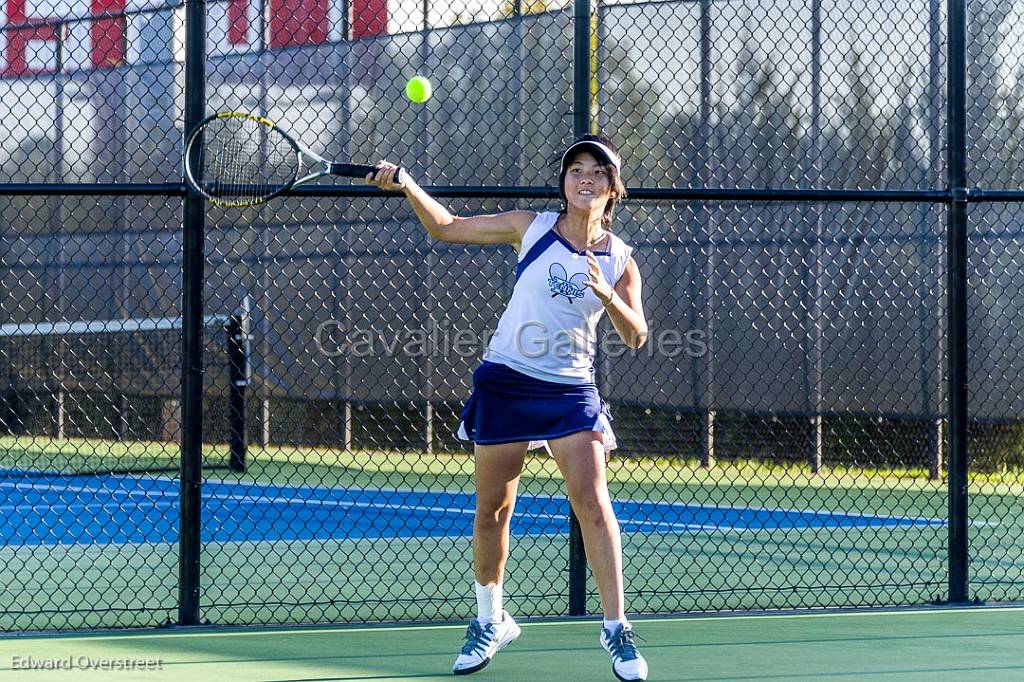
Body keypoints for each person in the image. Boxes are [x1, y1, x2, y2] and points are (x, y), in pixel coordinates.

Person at [367, 134, 649, 682]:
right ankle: (491, 619)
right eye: (575, 169)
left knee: (593, 502)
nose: (585, 177)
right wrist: (405, 182)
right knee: (493, 509)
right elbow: (445, 228)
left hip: (570, 391)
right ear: (564, 183)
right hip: (506, 381)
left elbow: (637, 336)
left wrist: (608, 293)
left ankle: (617, 629)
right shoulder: (531, 227)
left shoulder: (621, 260)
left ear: (613, 188)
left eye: (597, 170)